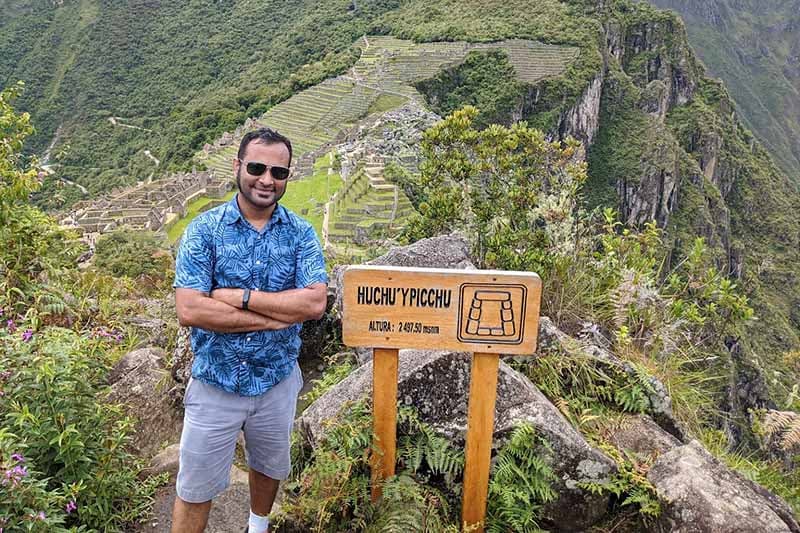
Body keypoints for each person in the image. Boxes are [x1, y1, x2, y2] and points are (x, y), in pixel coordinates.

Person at [171, 127, 327, 533]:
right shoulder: (204, 231)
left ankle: (256, 526)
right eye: (257, 167)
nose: (267, 180)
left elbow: (313, 303)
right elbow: (190, 308)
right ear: (238, 166)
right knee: (194, 487)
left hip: (276, 381)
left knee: (269, 465)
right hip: (215, 382)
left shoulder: (301, 233)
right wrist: (278, 316)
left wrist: (238, 297)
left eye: (279, 172)